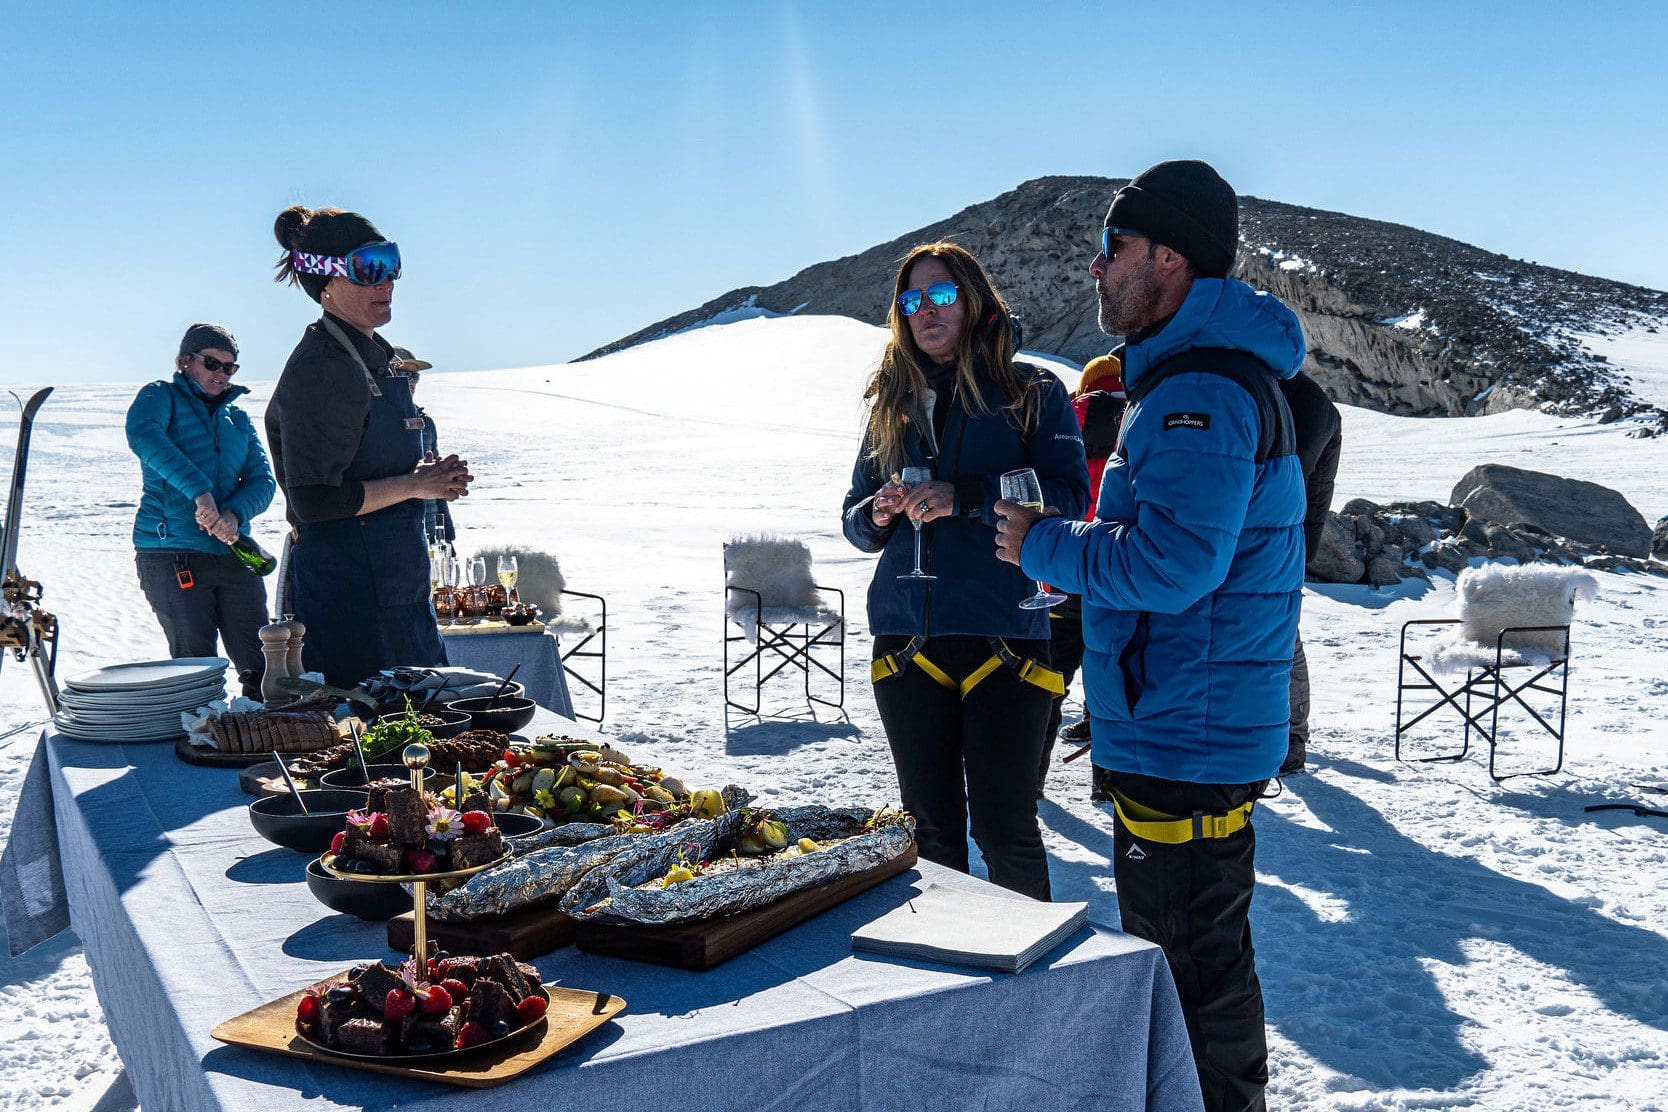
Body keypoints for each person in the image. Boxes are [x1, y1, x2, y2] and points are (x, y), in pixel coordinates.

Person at [995, 160, 1306, 1110]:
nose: (1096, 267)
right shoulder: (1192, 376)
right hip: (1184, 718)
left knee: (1189, 970)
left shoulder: (1198, 391)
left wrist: (1043, 543)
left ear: (1169, 258)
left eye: (1113, 247)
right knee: (1196, 955)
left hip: (1186, 729)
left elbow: (1176, 565)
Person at [842, 242, 1088, 901]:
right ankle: (947, 987)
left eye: (942, 295)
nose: (926, 311)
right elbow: (853, 521)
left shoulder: (1031, 391)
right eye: (912, 300)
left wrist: (970, 498)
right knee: (930, 832)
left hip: (1005, 637)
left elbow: (1070, 495)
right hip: (906, 642)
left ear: (974, 299)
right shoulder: (891, 405)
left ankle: (1032, 990)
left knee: (1005, 830)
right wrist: (881, 511)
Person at [266, 206, 472, 687]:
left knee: (426, 741)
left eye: (391, 262)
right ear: (327, 281)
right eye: (368, 268)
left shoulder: (375, 358)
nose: (387, 282)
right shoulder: (323, 368)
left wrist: (428, 481)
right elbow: (314, 500)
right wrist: (415, 484)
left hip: (398, 591)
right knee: (377, 744)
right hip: (353, 607)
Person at [125, 324, 276, 698]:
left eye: (230, 367)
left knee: (263, 662)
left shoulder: (237, 419)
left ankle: (268, 737)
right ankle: (200, 743)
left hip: (233, 550)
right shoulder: (160, 396)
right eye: (212, 363)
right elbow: (144, 435)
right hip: (172, 552)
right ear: (185, 361)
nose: (221, 374)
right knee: (196, 669)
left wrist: (234, 515)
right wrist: (201, 493)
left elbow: (263, 480)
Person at [1040, 351, 1127, 789]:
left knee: (1047, 681)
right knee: (1110, 681)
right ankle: (1107, 783)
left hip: (1062, 570)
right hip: (1113, 575)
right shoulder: (1137, 420)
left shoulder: (1062, 419)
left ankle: (1028, 778)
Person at [1277, 371, 1342, 775]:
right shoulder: (1308, 397)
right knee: (1282, 637)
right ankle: (1289, 737)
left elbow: (1285, 479)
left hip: (1272, 543)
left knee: (1282, 639)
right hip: (1290, 542)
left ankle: (1289, 737)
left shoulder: (1291, 397)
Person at [390, 346, 456, 550]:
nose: (410, 382)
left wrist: (447, 537)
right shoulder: (372, 421)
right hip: (393, 536)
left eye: (414, 376)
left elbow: (436, 479)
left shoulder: (426, 423)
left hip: (429, 535)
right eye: (402, 374)